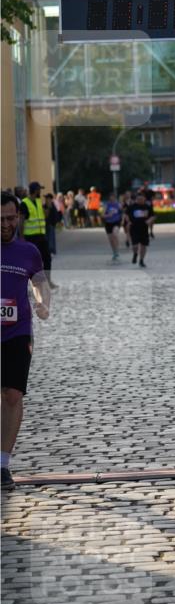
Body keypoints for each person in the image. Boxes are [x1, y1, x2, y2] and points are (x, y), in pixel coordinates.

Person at [1, 192, 51, 491]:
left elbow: (40, 281)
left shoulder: (28, 251)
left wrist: (43, 303)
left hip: (17, 332)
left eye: (10, 218)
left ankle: (2, 464)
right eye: (0, 220)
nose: (6, 224)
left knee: (13, 396)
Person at [18, 182, 58, 290]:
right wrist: (21, 238)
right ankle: (27, 285)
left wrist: (48, 207)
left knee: (47, 258)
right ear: (35, 190)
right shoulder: (24, 203)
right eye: (40, 189)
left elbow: (44, 216)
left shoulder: (38, 201)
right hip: (30, 237)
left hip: (41, 236)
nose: (41, 191)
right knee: (31, 261)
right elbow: (21, 221)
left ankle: (48, 281)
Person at [124, 191, 154, 267]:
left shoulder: (147, 207)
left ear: (144, 199)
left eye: (141, 199)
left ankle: (141, 260)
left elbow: (153, 216)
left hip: (144, 228)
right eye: (138, 199)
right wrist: (129, 221)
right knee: (135, 245)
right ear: (136, 199)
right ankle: (135, 254)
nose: (140, 200)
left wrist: (149, 220)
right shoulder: (132, 207)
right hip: (134, 228)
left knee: (143, 246)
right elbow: (126, 215)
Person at [102, 193, 124, 261]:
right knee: (111, 239)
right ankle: (114, 252)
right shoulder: (107, 205)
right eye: (111, 197)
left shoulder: (118, 205)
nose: (112, 198)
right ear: (109, 198)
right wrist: (108, 215)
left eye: (113, 197)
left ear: (115, 197)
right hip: (108, 223)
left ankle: (117, 250)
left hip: (116, 222)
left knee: (115, 234)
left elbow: (122, 213)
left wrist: (122, 220)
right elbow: (103, 215)